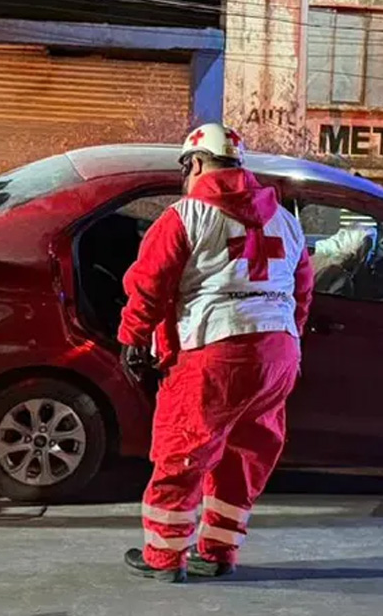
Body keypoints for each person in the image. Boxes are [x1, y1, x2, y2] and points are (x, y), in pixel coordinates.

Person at [118, 122, 315, 582]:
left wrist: (132, 337)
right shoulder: (285, 221)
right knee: (247, 453)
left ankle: (164, 558)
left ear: (196, 164)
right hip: (278, 352)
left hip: (214, 351)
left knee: (183, 449)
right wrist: (287, 340)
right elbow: (302, 291)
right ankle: (219, 551)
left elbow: (149, 284)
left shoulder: (184, 217)